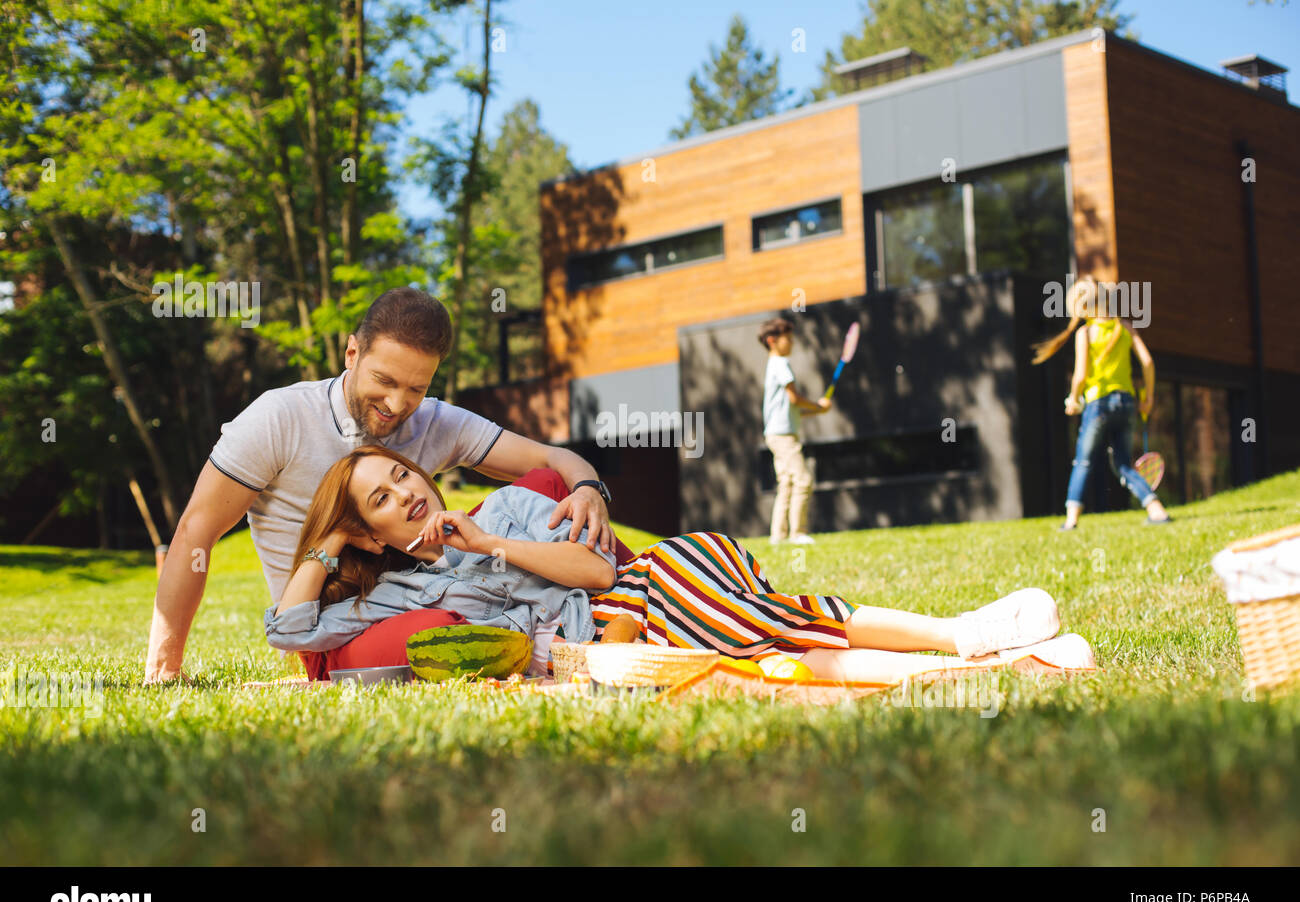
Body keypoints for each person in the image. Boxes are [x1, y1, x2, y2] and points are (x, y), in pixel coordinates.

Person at [264, 444, 1097, 685]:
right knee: (764, 636)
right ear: (370, 534)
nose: (403, 491)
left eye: (400, 474)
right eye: (377, 499)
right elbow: (290, 631)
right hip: (609, 650)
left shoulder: (509, 507)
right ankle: (974, 646)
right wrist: (328, 545)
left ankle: (964, 643)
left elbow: (595, 576)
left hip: (632, 602)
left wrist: (492, 544)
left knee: (697, 573)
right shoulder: (399, 592)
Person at [145, 287, 626, 683]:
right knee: (438, 631)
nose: (398, 404)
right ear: (352, 353)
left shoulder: (437, 421)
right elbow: (196, 533)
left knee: (545, 484)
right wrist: (165, 667)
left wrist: (588, 488)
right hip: (333, 619)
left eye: (416, 388)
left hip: (429, 582)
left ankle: (631, 596)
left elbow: (551, 458)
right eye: (385, 380)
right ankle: (554, 639)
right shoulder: (278, 418)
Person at [1033, 277, 1171, 531]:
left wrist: (1074, 399)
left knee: (1084, 461)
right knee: (1122, 464)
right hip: (1127, 402)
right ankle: (1156, 510)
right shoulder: (1125, 327)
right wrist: (1148, 397)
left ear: (1082, 308)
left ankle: (1072, 519)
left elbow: (1081, 375)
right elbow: (1148, 362)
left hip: (1097, 404)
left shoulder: (1085, 333)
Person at [760, 317, 830, 546]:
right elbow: (795, 398)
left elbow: (790, 409)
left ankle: (777, 537)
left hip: (775, 434)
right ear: (772, 341)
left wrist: (816, 412)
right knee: (803, 480)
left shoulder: (773, 366)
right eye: (787, 339)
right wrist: (817, 406)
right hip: (783, 436)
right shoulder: (780, 364)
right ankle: (797, 533)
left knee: (787, 484)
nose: (791, 343)